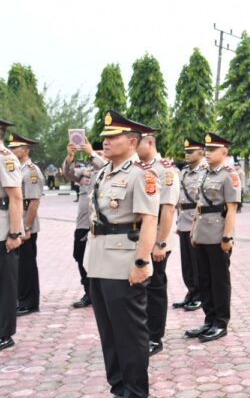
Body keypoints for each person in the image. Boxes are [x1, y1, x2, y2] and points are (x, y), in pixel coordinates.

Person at [84, 110, 160, 398]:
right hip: (97, 261)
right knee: (109, 333)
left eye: (112, 137)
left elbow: (149, 220)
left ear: (131, 142)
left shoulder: (141, 174)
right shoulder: (104, 172)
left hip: (123, 263)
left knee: (129, 333)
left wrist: (141, 262)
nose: (105, 141)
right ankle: (118, 388)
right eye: (104, 137)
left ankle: (136, 391)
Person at [185, 132, 241, 342]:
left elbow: (231, 209)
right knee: (204, 280)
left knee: (219, 281)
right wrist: (193, 230)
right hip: (201, 234)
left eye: (212, 150)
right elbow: (199, 205)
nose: (207, 153)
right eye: (206, 150)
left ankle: (220, 322)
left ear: (224, 152)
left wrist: (227, 237)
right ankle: (209, 319)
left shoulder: (229, 175)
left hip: (217, 235)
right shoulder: (205, 174)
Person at [136, 128, 180, 356]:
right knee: (139, 288)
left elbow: (168, 209)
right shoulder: (137, 168)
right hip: (140, 238)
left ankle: (155, 337)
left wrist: (160, 242)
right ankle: (141, 332)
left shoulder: (165, 170)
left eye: (137, 143)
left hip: (157, 240)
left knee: (154, 288)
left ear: (150, 143)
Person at [63, 139, 107, 308]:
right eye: (96, 153)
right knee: (79, 255)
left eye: (101, 153)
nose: (96, 156)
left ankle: (100, 292)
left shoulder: (108, 171)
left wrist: (93, 154)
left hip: (101, 225)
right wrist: (70, 156)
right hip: (83, 223)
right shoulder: (85, 172)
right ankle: (88, 292)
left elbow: (104, 165)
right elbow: (67, 173)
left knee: (100, 259)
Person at [8, 133, 45, 316]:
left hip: (26, 225)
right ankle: (21, 299)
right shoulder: (17, 168)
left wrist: (27, 227)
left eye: (14, 147)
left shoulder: (31, 171)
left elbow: (34, 202)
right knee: (19, 265)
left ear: (25, 150)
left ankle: (29, 302)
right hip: (18, 223)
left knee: (26, 265)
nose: (11, 150)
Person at [174, 138, 206, 312]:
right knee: (186, 263)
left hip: (197, 221)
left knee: (197, 262)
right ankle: (191, 293)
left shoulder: (205, 171)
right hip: (184, 220)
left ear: (201, 153)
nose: (187, 155)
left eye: (191, 152)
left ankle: (200, 295)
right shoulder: (184, 172)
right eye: (186, 152)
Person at [0, 118, 24, 351]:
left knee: (5, 284)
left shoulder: (5, 158)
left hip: (3, 230)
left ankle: (4, 333)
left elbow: (15, 198)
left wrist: (14, 234)